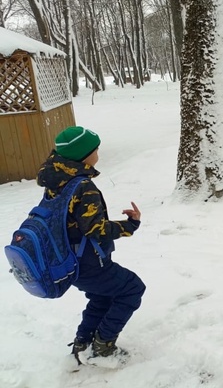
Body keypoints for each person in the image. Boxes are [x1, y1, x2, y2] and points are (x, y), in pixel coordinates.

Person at [36, 126, 145, 363]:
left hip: (67, 260)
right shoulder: (82, 186)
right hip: (88, 261)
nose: (98, 154)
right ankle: (103, 345)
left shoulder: (55, 180)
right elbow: (97, 230)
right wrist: (130, 225)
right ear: (83, 155)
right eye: (96, 149)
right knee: (132, 289)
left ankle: (83, 341)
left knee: (101, 296)